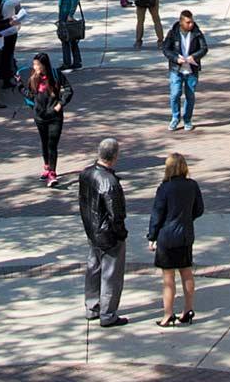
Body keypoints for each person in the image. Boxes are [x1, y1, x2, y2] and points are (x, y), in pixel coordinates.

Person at [147, 153, 204, 327]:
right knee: (186, 272)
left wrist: (152, 236)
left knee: (168, 277)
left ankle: (168, 314)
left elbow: (157, 214)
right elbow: (199, 209)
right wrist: (187, 218)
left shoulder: (165, 188)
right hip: (186, 234)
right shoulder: (192, 185)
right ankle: (188, 309)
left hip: (167, 236)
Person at [79, 138, 129, 328]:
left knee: (94, 269)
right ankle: (108, 314)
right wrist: (121, 233)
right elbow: (116, 214)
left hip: (92, 231)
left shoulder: (86, 174)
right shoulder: (109, 182)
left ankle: (92, 307)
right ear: (115, 156)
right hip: (108, 235)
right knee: (111, 275)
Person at [16, 52, 73, 187]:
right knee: (44, 142)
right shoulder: (33, 78)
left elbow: (69, 90)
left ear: (43, 65)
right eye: (34, 64)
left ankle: (52, 173)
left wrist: (59, 105)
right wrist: (20, 87)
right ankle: (47, 167)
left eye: (37, 64)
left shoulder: (55, 75)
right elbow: (31, 96)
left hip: (55, 117)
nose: (34, 67)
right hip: (40, 117)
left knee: (52, 145)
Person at [161, 10, 208, 131]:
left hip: (191, 69)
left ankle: (187, 119)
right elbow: (166, 49)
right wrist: (176, 58)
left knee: (190, 96)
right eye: (188, 22)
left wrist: (194, 57)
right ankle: (175, 118)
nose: (191, 24)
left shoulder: (197, 33)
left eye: (192, 21)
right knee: (175, 94)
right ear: (181, 22)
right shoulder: (173, 33)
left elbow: (204, 48)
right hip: (177, 69)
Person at [0, 0, 27, 87]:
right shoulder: (8, 2)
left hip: (2, 30)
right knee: (8, 54)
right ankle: (7, 78)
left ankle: (4, 75)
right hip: (9, 30)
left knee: (4, 54)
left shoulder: (0, 0)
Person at [53, 0, 82, 71]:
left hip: (66, 12)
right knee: (71, 37)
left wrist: (71, 14)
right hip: (63, 10)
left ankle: (68, 62)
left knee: (65, 37)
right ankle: (76, 61)